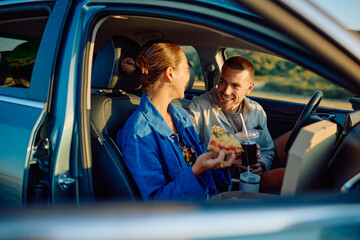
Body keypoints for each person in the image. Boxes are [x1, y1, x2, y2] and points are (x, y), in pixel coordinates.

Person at [116, 39, 236, 201]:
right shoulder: (138, 134)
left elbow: (197, 164)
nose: (189, 76)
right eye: (187, 69)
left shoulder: (180, 116)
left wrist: (223, 159)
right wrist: (195, 171)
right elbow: (156, 202)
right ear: (170, 74)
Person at [185, 56, 275, 177]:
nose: (226, 91)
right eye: (223, 82)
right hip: (213, 183)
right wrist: (225, 157)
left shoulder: (257, 111)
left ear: (249, 88)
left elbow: (267, 150)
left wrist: (262, 165)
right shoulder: (197, 108)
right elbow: (185, 153)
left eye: (235, 86)